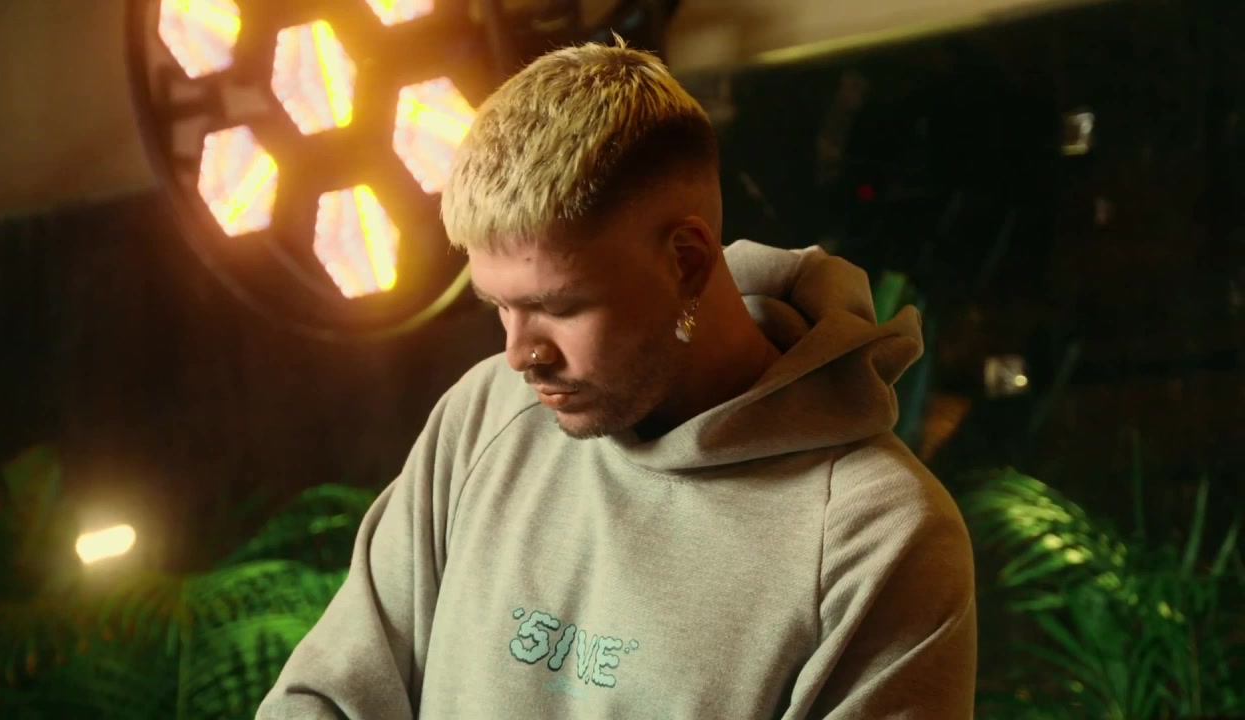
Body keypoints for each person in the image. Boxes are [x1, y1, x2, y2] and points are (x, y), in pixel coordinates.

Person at [259, 39, 976, 719]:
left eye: (559, 306)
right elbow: (326, 698)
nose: (519, 354)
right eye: (499, 305)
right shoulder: (483, 415)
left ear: (686, 261)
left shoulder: (878, 538)